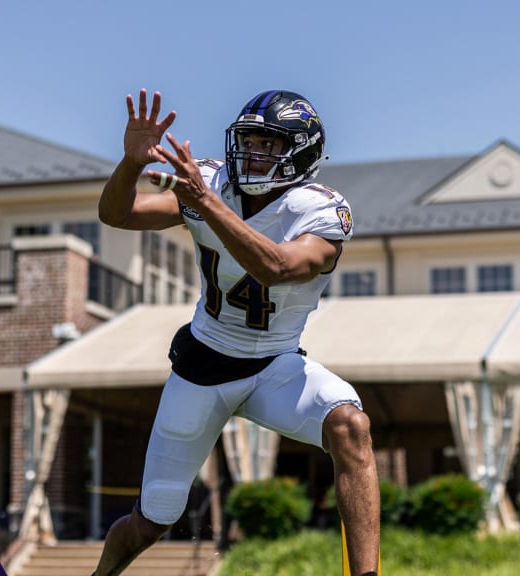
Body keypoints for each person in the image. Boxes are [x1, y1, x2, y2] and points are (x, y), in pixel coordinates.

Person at [93, 88, 380, 576]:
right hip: (202, 367)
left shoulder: (320, 211)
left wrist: (206, 204)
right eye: (249, 140)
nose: (253, 152)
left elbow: (276, 267)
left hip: (275, 365)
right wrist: (129, 164)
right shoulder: (210, 181)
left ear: (303, 151)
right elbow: (117, 214)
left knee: (350, 425)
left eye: (269, 143)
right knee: (151, 522)